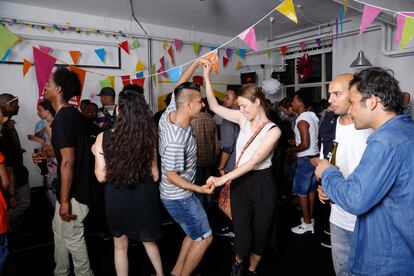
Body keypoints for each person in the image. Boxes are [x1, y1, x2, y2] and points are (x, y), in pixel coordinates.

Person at [315, 67, 414, 275]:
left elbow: (356, 198)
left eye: (352, 102)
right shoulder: (405, 130)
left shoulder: (385, 141)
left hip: (387, 253)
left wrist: (328, 172)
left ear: (372, 102)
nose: (350, 110)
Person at [204, 61, 281, 276]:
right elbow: (214, 107)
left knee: (262, 230)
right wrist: (207, 78)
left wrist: (221, 179)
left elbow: (254, 161)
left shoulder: (273, 130)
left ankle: (252, 268)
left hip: (262, 182)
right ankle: (238, 260)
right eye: (239, 106)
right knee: (242, 230)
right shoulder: (241, 119)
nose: (241, 110)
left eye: (244, 105)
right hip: (241, 183)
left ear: (257, 102)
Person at [92, 90, 164, 276]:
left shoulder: (103, 137)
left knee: (120, 247)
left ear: (118, 110)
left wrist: (97, 153)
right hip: (143, 197)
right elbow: (155, 174)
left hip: (117, 198)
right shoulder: (149, 136)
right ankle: (160, 274)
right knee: (149, 241)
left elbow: (101, 177)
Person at [33, 66, 93, 276]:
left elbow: (68, 161)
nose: (45, 86)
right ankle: (61, 271)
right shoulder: (67, 115)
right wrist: (46, 153)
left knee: (73, 237)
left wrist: (65, 200)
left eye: (48, 83)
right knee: (59, 231)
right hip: (69, 190)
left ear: (58, 89)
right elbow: (65, 150)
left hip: (74, 192)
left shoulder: (65, 118)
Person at [158, 60, 214, 276]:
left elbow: (180, 85)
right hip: (179, 196)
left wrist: (196, 65)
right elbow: (171, 176)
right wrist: (199, 189)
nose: (203, 105)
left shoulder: (171, 113)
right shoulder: (175, 140)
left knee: (193, 234)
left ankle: (175, 273)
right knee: (206, 237)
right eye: (200, 102)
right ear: (189, 105)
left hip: (178, 194)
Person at [315, 74, 372, 275]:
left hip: (368, 220)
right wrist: (323, 186)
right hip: (338, 218)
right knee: (342, 271)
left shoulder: (371, 128)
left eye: (337, 94)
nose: (330, 99)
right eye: (330, 94)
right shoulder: (329, 123)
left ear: (354, 94)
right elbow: (326, 162)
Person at [288, 90, 319, 234]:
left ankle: (306, 223)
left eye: (293, 101)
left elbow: (305, 144)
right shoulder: (312, 116)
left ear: (300, 103)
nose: (292, 104)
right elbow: (309, 140)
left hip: (305, 160)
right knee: (311, 189)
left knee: (301, 192)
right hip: (314, 158)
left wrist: (291, 150)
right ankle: (310, 219)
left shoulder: (301, 120)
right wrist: (297, 141)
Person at [0, 93, 30, 237]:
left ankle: (13, 230)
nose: (18, 106)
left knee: (19, 203)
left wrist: (18, 150)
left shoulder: (9, 125)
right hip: (11, 174)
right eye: (15, 103)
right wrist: (12, 192)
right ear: (8, 105)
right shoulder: (3, 129)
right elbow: (7, 163)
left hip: (15, 172)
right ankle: (5, 227)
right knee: (23, 203)